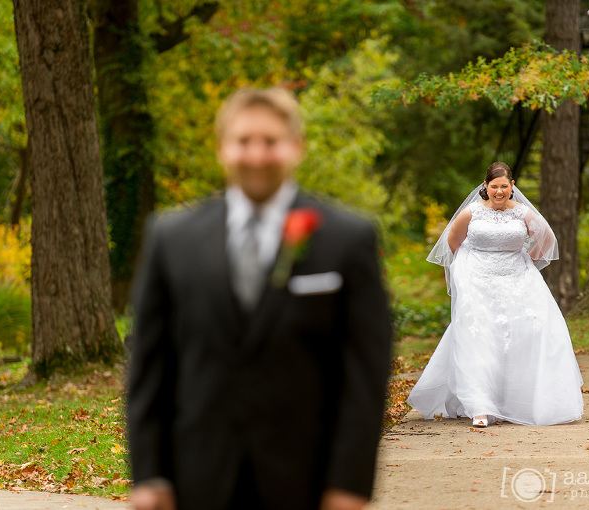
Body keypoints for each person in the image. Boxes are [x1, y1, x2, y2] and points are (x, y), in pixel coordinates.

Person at [126, 87, 393, 510]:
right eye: (243, 141)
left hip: (308, 479)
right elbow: (149, 364)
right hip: (196, 477)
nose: (256, 155)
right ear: (221, 149)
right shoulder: (171, 238)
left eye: (270, 141)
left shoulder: (347, 239)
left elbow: (365, 371)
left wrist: (350, 483)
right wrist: (149, 474)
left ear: (296, 147)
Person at [407, 162, 583, 427]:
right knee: (479, 337)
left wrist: (527, 261)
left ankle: (517, 401)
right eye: (494, 186)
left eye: (504, 186)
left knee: (528, 332)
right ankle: (479, 406)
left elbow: (547, 240)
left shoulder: (523, 214)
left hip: (516, 277)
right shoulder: (471, 213)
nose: (499, 192)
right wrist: (468, 270)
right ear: (485, 187)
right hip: (478, 279)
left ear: (512, 187)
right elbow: (453, 243)